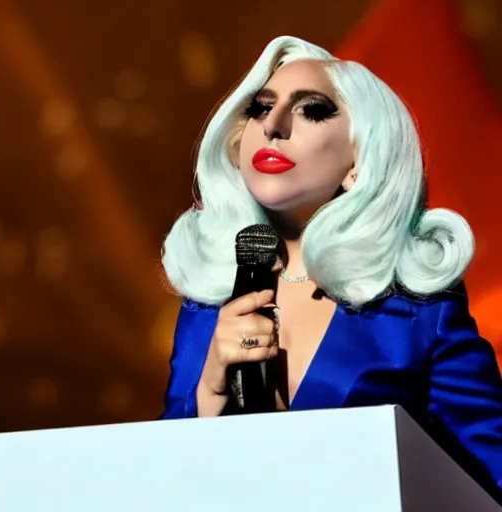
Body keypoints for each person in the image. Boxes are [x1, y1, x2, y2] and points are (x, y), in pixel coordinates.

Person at [160, 36, 502, 501]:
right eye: (260, 108)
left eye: (312, 110)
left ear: (361, 160)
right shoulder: (207, 301)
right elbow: (160, 479)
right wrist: (208, 400)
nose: (273, 126)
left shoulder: (422, 311)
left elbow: (490, 478)